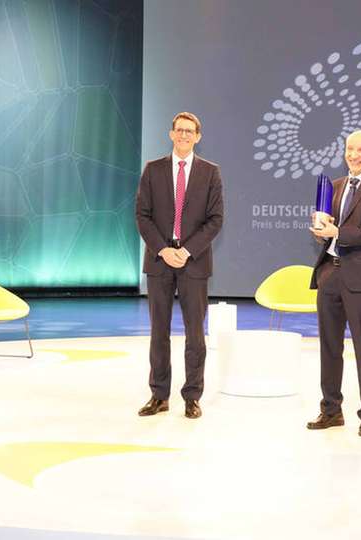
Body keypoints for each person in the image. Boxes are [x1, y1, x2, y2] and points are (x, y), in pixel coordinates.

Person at [307, 130, 361, 437]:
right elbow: (329, 230)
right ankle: (330, 410)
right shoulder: (334, 186)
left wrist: (337, 234)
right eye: (350, 149)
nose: (354, 155)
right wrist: (320, 230)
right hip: (329, 274)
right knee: (329, 347)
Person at [135, 112, 223, 419]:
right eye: (179, 130)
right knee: (159, 331)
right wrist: (162, 249)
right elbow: (142, 216)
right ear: (171, 134)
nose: (184, 135)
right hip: (159, 261)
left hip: (193, 262)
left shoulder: (210, 172)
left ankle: (192, 396)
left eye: (190, 131)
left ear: (198, 137)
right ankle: (159, 395)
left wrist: (186, 251)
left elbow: (215, 220)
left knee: (194, 333)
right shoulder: (153, 170)